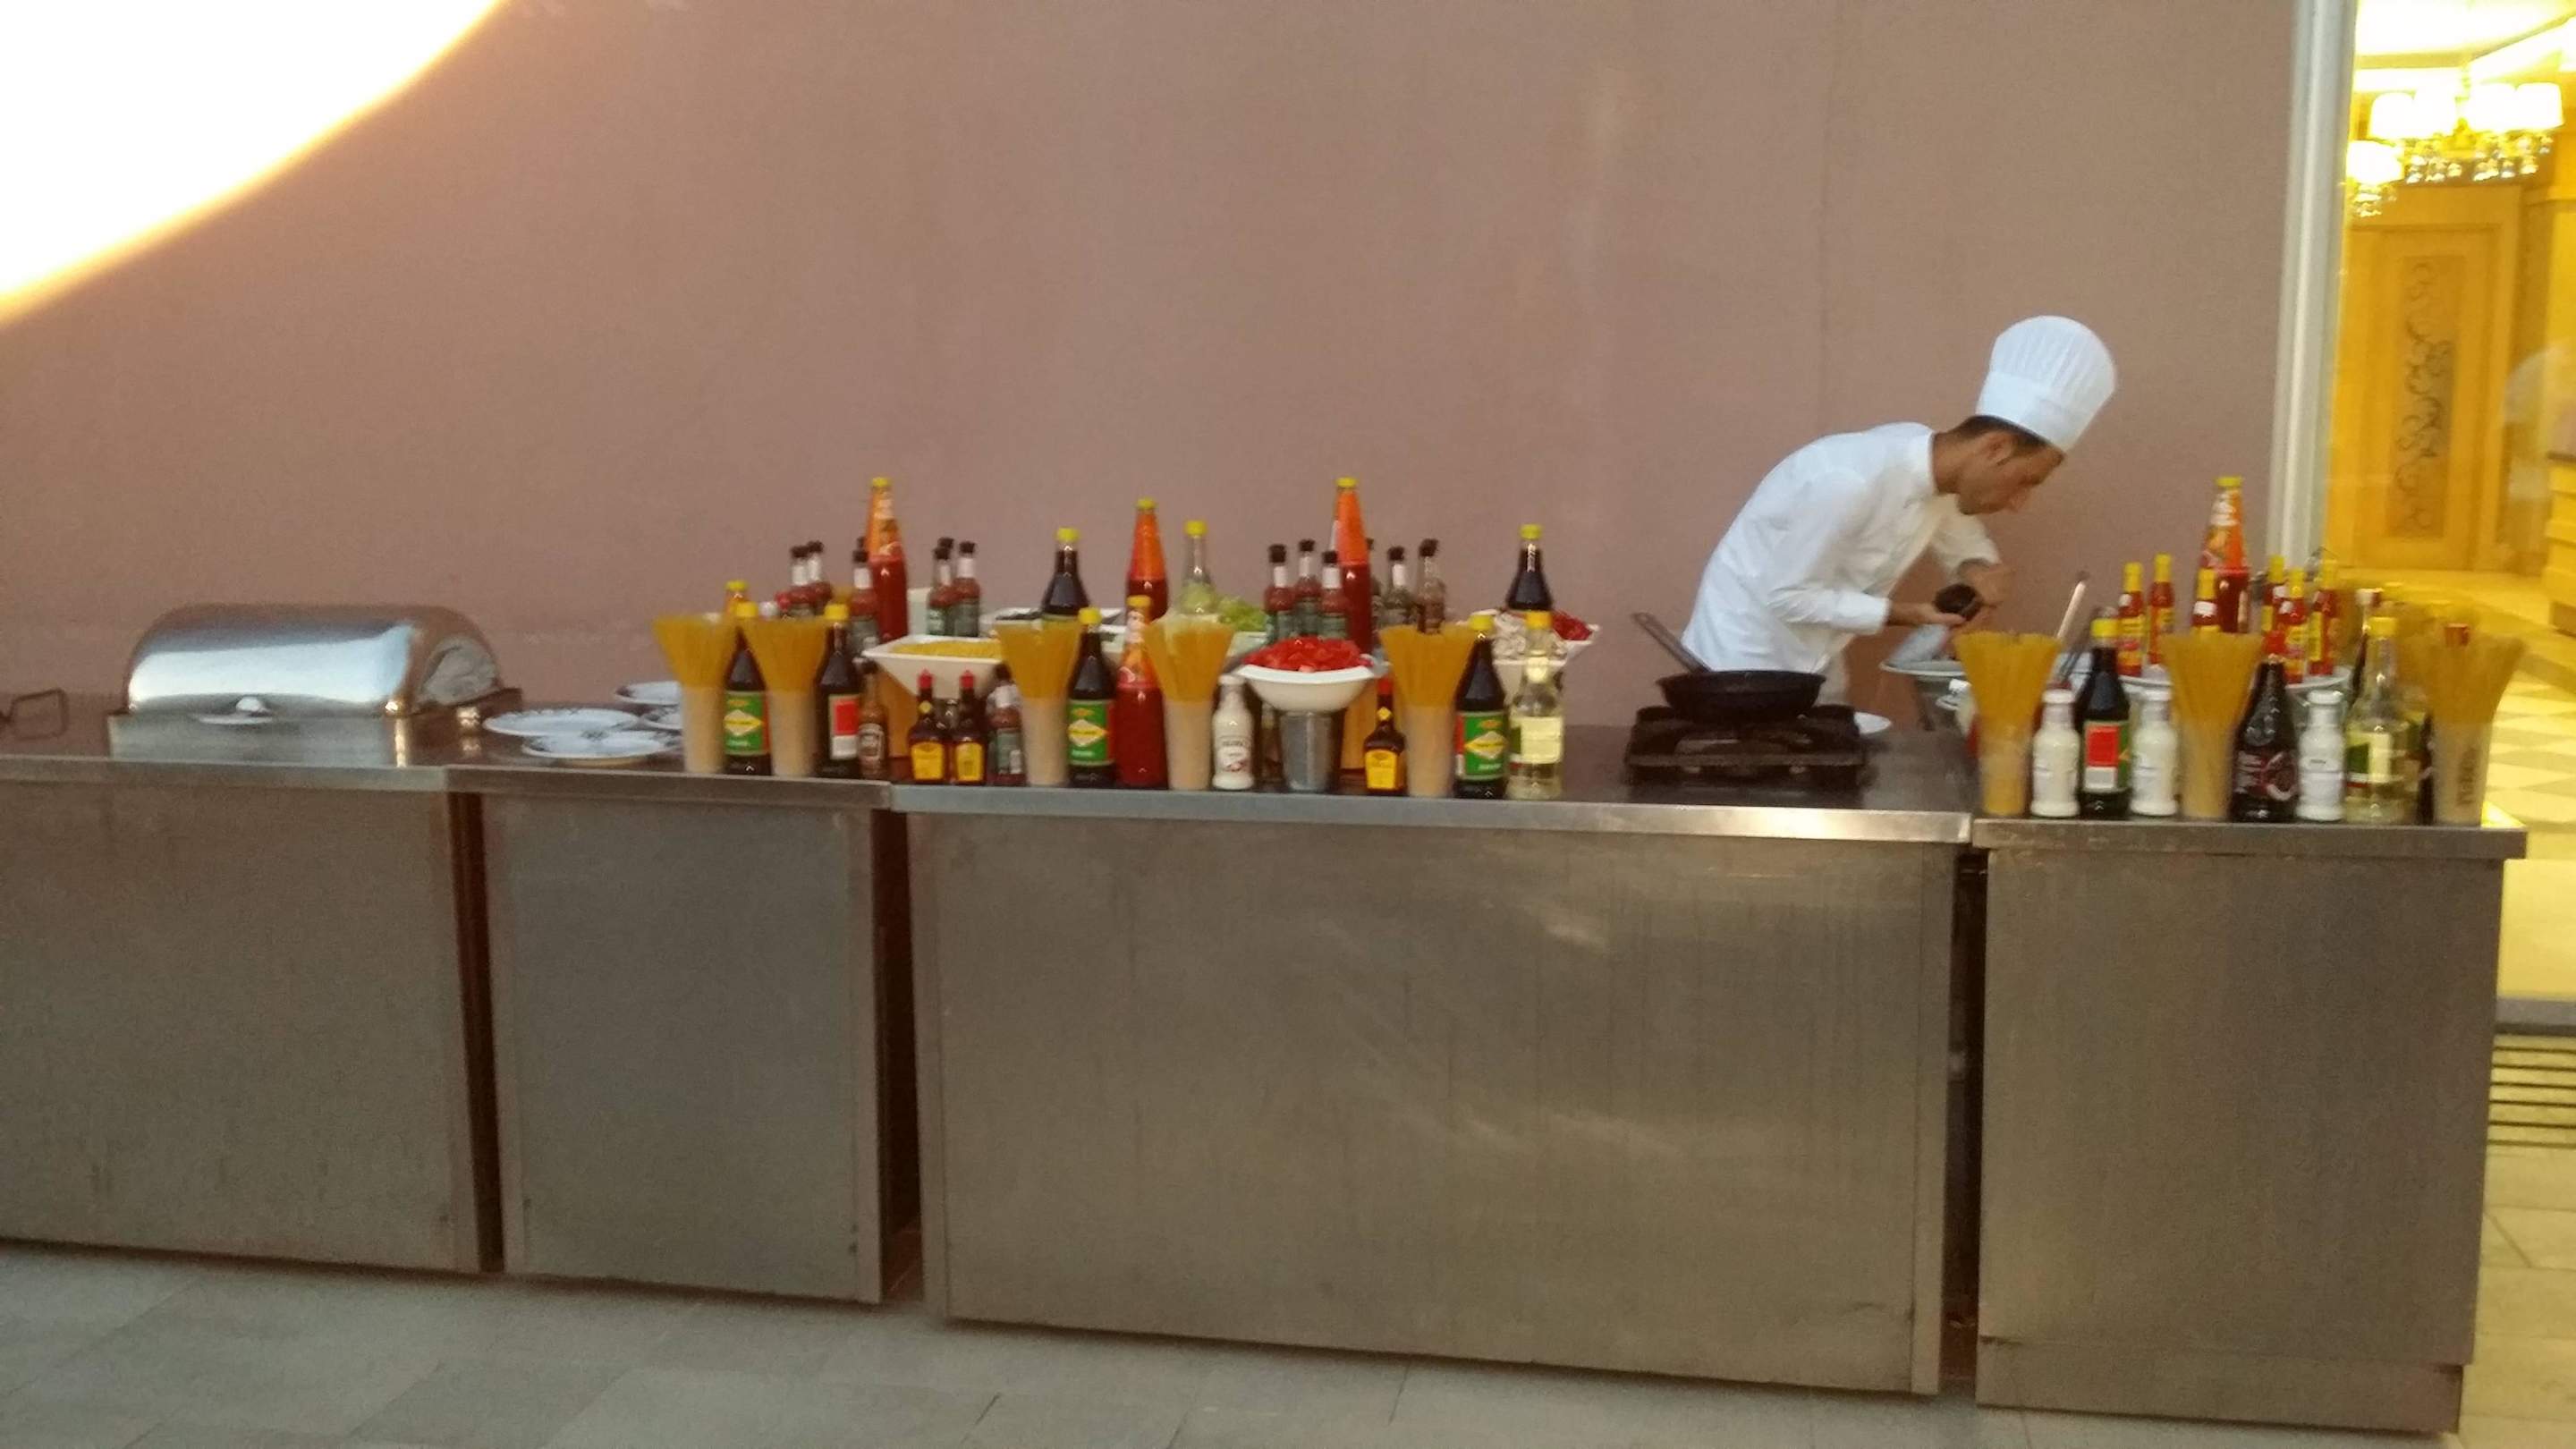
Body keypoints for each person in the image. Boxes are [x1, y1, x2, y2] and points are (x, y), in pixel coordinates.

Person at [1680, 315, 2115, 699]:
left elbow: (1964, 540)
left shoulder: (1939, 474)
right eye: (2025, 482)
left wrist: (1978, 571)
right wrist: (1903, 613)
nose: (2019, 504)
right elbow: (1786, 596)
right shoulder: (1848, 481)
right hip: (1738, 666)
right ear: (1995, 448)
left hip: (1817, 663)